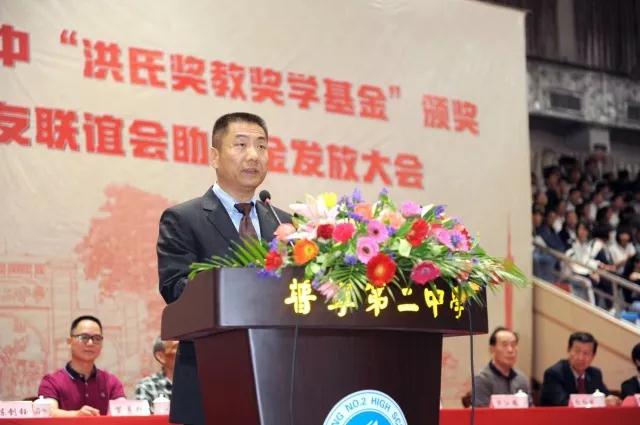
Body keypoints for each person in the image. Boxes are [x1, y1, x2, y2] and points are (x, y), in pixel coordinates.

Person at [157, 112, 291, 425]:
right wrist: (239, 286)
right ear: (214, 156)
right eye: (241, 145)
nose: (253, 155)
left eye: (261, 146)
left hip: (279, 379)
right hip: (209, 380)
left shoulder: (284, 223)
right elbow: (176, 290)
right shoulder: (184, 219)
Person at [37, 315, 125, 416]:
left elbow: (123, 412)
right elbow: (47, 413)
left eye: (97, 338)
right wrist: (76, 415)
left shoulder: (111, 382)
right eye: (84, 337)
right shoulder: (52, 381)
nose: (90, 343)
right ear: (70, 342)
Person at [540, 332, 620, 406]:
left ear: (593, 356)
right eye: (577, 351)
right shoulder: (554, 374)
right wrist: (599, 401)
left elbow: (605, 396)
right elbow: (563, 403)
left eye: (586, 353)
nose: (581, 358)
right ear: (568, 350)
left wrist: (611, 400)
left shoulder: (595, 374)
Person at [472, 327, 530, 407]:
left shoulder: (522, 379)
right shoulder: (482, 379)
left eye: (513, 345)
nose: (510, 350)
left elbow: (530, 408)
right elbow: (481, 412)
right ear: (492, 349)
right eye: (504, 345)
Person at [135, 338, 178, 412]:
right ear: (161, 357)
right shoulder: (147, 386)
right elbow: (146, 418)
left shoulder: (197, 382)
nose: (188, 354)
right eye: (179, 348)